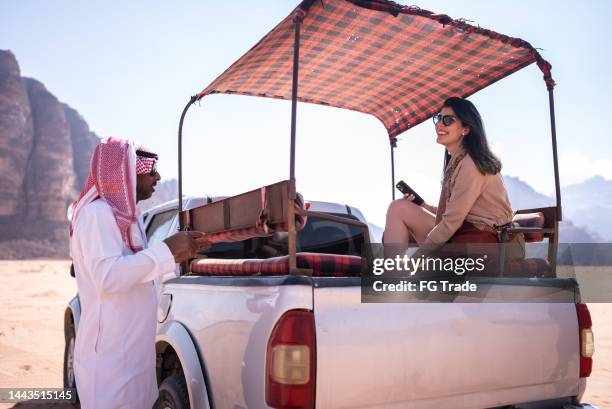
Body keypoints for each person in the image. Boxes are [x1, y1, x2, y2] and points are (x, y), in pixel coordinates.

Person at [68, 137, 207, 409]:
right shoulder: (98, 214)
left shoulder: (130, 220)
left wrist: (182, 255)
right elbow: (108, 277)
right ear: (124, 170)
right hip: (109, 366)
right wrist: (167, 251)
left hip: (132, 361)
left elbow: (139, 271)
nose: (157, 176)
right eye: (150, 167)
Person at [383, 97, 514, 252]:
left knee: (398, 208)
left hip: (482, 242)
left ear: (466, 128)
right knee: (401, 207)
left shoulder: (471, 164)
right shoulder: (457, 162)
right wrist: (423, 206)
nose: (439, 124)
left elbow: (452, 221)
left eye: (448, 120)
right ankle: (393, 272)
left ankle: (393, 273)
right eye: (438, 118)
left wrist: (418, 258)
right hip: (464, 233)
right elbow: (454, 212)